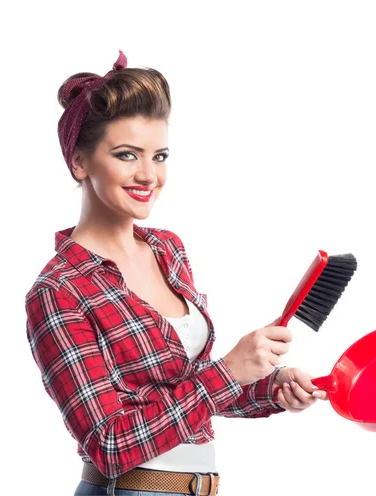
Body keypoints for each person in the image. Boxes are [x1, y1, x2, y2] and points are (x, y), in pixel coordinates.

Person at [25, 49, 328, 496]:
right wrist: (228, 370)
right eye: (127, 155)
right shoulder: (60, 290)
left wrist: (269, 385)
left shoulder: (167, 250)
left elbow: (188, 392)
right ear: (79, 162)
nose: (149, 175)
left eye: (160, 155)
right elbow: (108, 444)